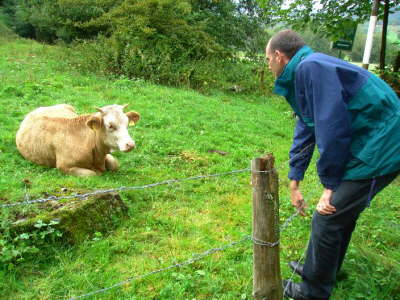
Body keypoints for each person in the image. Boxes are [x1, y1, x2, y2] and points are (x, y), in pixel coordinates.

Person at [265, 29, 400, 300]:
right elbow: (307, 125)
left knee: (328, 216)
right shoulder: (305, 71)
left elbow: (332, 127)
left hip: (383, 145)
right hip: (370, 140)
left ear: (279, 56)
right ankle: (324, 271)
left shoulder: (312, 68)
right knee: (339, 215)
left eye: (267, 59)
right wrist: (295, 179)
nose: (268, 65)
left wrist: (330, 185)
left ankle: (313, 292)